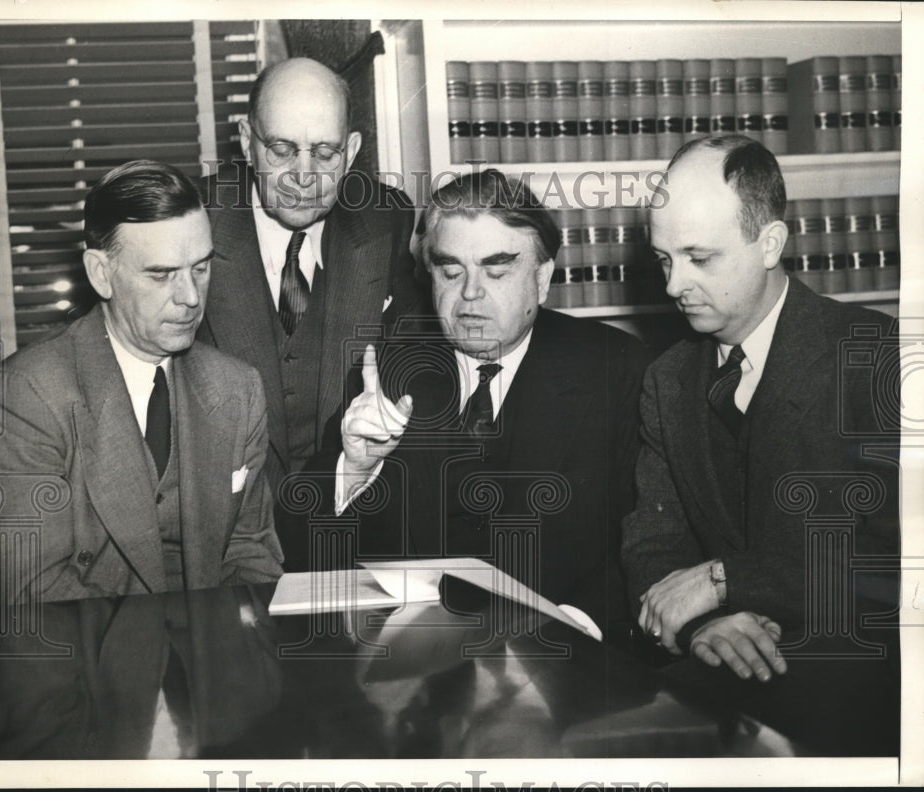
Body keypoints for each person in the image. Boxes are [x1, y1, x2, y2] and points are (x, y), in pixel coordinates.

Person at [620, 135, 899, 752]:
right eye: (664, 259)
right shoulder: (668, 379)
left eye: (699, 257)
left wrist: (724, 579)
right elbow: (652, 541)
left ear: (770, 243)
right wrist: (705, 625)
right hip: (723, 675)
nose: (674, 284)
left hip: (868, 687)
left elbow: (891, 562)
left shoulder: (874, 358)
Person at [313, 169, 646, 630]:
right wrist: (354, 470)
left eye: (496, 270)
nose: (469, 293)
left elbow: (641, 540)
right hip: (413, 666)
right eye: (450, 271)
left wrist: (573, 632)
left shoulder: (618, 368)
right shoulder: (389, 364)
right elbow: (301, 544)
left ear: (543, 278)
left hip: (563, 654)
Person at [0, 160, 284, 605]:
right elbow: (37, 598)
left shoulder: (238, 389)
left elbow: (250, 556)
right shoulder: (21, 399)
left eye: (201, 268)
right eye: (161, 274)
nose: (191, 297)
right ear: (101, 274)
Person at [196, 58, 424, 563]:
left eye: (325, 152)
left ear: (353, 151)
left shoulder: (386, 219)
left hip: (344, 529)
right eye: (281, 149)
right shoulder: (188, 225)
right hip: (217, 543)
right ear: (246, 141)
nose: (304, 176)